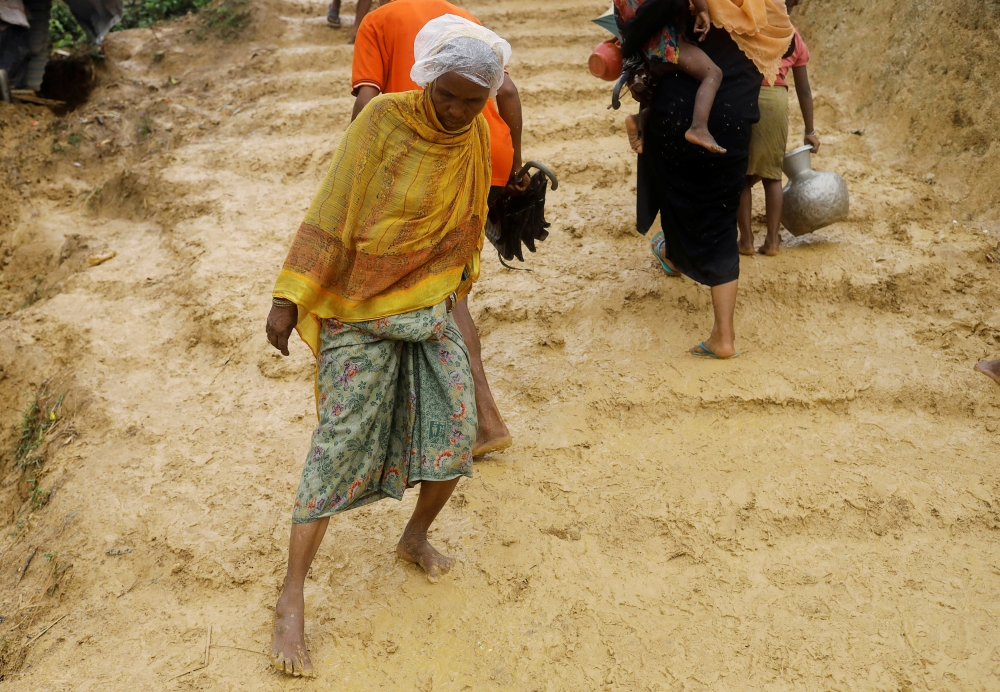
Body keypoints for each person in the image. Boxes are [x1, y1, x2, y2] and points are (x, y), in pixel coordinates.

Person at [265, 16, 511, 677]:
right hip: (358, 307)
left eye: (473, 100)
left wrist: (457, 286)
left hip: (429, 307)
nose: (459, 111)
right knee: (338, 443)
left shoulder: (478, 135)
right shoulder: (381, 123)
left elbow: (469, 219)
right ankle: (292, 597)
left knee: (457, 430)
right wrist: (288, 296)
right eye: (448, 95)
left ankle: (414, 535)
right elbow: (334, 201)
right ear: (427, 79)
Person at [352, 0, 527, 456]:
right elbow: (506, 92)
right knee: (447, 286)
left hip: (426, 162)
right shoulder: (461, 17)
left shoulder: (376, 20)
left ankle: (485, 420)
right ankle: (466, 417)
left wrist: (353, 168)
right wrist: (517, 163)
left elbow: (367, 98)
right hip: (486, 154)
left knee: (448, 295)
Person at [632, 0, 793, 359]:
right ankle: (724, 336)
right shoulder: (762, 20)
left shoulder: (688, 10)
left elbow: (645, 30)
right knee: (721, 223)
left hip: (672, 113)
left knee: (675, 197)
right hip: (734, 119)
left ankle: (673, 253)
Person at [737, 0, 819, 256]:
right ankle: (772, 241)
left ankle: (746, 240)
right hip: (777, 101)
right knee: (773, 176)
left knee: (743, 177)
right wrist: (810, 130)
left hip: (746, 95)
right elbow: (804, 90)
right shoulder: (794, 39)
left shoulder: (751, 28)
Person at [617, 0, 725, 155]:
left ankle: (640, 119)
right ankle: (698, 128)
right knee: (712, 73)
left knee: (669, 89)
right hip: (666, 48)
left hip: (642, 52)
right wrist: (703, 10)